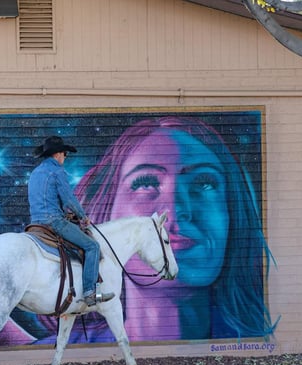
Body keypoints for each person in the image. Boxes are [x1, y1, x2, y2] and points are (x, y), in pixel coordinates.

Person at [73, 116, 277, 340]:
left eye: (204, 183)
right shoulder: (71, 348)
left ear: (232, 213)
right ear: (106, 212)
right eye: (145, 183)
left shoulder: (259, 344)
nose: (175, 209)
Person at [28, 135, 114, 307]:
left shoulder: (35, 173)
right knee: (92, 246)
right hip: (54, 222)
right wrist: (82, 217)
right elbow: (68, 198)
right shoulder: (57, 171)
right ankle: (90, 292)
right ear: (58, 154)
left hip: (35, 223)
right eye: (65, 154)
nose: (65, 158)